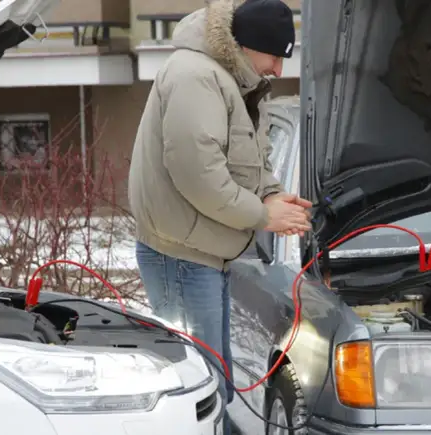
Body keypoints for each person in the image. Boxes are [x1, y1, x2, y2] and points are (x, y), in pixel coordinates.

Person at [126, 0, 311, 433]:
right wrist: (262, 215)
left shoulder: (234, 80)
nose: (278, 70)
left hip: (204, 251)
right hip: (181, 256)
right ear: (248, 46)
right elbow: (198, 174)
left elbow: (251, 160)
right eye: (275, 57)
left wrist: (275, 196)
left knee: (215, 381)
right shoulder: (196, 77)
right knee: (196, 388)